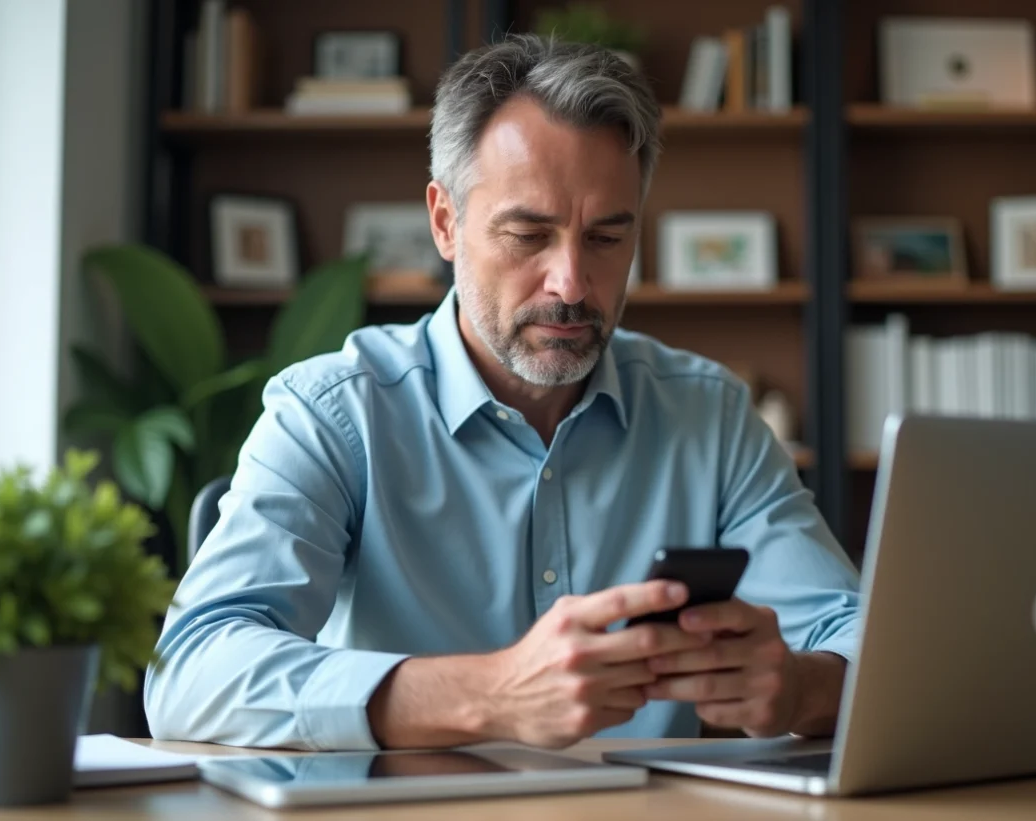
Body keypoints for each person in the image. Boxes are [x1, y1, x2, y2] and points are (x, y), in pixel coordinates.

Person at [144, 34, 861, 752]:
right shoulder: (333, 414)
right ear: (445, 222)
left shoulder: (709, 414)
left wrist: (801, 686)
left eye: (606, 238)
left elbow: (857, 634)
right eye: (528, 234)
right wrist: (491, 693)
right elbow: (192, 672)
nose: (571, 284)